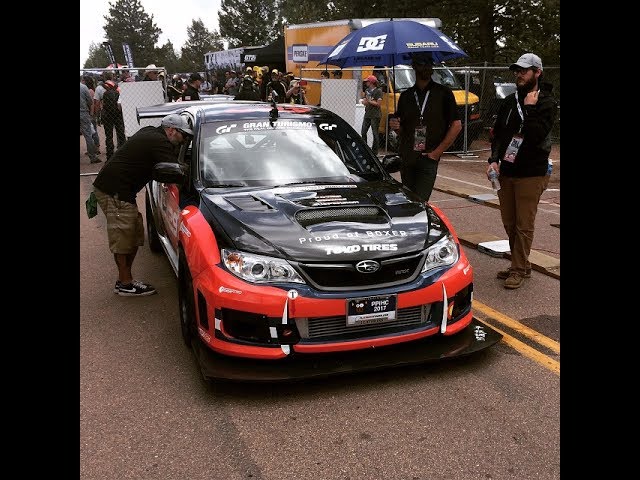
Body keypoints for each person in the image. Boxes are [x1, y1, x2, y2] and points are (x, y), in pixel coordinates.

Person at [92, 113, 193, 296]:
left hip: (118, 189)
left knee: (133, 233)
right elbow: (176, 172)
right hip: (114, 191)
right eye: (183, 136)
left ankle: (125, 281)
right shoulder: (160, 142)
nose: (183, 140)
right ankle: (125, 283)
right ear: (171, 130)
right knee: (124, 237)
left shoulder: (151, 132)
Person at [487, 53, 557, 289]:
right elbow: (498, 134)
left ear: (537, 73)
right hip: (506, 170)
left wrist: (529, 109)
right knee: (509, 221)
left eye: (524, 71)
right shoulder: (509, 101)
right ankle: (522, 262)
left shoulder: (546, 101)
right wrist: (494, 159)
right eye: (517, 70)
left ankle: (518, 269)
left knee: (523, 223)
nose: (519, 74)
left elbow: (537, 134)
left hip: (532, 171)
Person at [389, 52, 462, 202]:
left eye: (429, 63)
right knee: (409, 201)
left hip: (428, 158)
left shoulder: (444, 93)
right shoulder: (406, 96)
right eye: (422, 64)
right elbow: (403, 131)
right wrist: (396, 127)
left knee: (421, 202)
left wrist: (436, 153)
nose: (427, 67)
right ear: (414, 67)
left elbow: (456, 125)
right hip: (407, 157)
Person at [101, 80, 127, 160]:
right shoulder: (118, 93)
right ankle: (123, 154)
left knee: (109, 136)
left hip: (107, 116)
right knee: (121, 135)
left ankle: (110, 156)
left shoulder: (105, 93)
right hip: (117, 116)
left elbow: (103, 105)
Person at [360, 75, 383, 155]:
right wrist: (364, 101)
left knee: (375, 133)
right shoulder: (367, 90)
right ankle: (365, 149)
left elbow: (378, 104)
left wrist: (369, 101)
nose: (366, 83)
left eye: (367, 81)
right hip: (368, 114)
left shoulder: (378, 91)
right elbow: (366, 101)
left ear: (371, 82)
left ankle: (374, 151)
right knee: (363, 132)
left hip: (375, 115)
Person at [80, 79, 100, 164]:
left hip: (83, 112)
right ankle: (92, 157)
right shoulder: (84, 87)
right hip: (83, 113)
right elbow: (90, 101)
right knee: (88, 135)